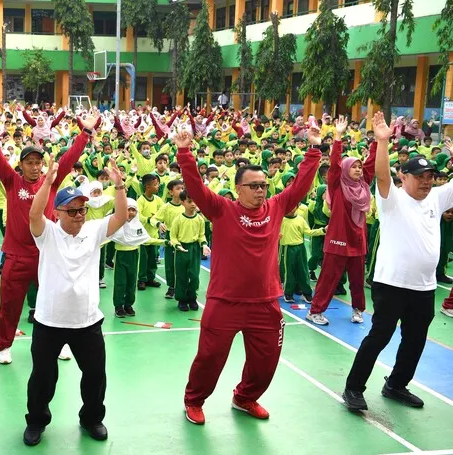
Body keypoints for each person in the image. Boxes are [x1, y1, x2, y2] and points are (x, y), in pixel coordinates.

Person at [175, 125, 321, 425]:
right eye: (253, 185)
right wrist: (185, 153)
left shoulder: (277, 207)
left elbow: (300, 187)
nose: (260, 190)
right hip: (224, 302)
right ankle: (194, 400)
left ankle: (245, 398)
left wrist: (314, 150)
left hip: (265, 302)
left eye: (263, 185)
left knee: (266, 360)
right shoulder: (221, 209)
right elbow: (197, 187)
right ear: (238, 188)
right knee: (210, 358)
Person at [0, 99, 96, 365]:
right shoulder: (11, 180)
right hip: (16, 256)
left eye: (38, 161)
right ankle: (4, 345)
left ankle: (62, 344)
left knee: (57, 301)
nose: (35, 166)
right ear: (22, 164)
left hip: (48, 254)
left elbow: (70, 157)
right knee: (9, 306)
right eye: (30, 162)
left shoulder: (51, 182)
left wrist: (85, 134)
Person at [342, 112, 453, 411]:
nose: (427, 182)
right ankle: (353, 388)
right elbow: (380, 175)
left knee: (416, 339)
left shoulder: (437, 199)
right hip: (392, 283)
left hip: (424, 287)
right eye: (421, 177)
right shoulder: (393, 199)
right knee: (380, 335)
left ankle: (396, 384)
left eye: (430, 177)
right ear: (404, 177)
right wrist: (381, 142)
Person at [22, 156, 128, 446]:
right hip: (49, 321)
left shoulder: (93, 231)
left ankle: (92, 418)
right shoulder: (48, 234)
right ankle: (36, 421)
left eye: (82, 210)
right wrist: (47, 182)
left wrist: (119, 186)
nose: (79, 215)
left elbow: (119, 217)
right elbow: (33, 214)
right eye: (72, 211)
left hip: (87, 321)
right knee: (43, 379)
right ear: (58, 213)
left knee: (95, 376)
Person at [307, 117, 377, 325]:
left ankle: (358, 309)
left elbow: (372, 165)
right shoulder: (337, 185)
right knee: (329, 277)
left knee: (357, 279)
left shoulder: (364, 186)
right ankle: (315, 311)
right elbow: (335, 164)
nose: (357, 169)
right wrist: (338, 137)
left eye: (359, 167)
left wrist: (378, 142)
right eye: (354, 167)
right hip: (338, 239)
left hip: (358, 240)